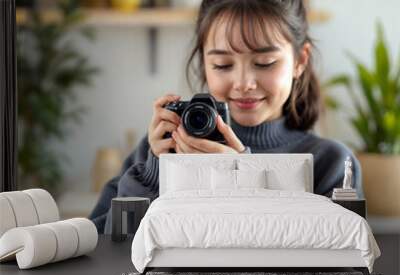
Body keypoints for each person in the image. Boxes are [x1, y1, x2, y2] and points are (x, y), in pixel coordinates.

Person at [89, 0, 363, 234]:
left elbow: (332, 261)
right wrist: (153, 176)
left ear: (300, 61)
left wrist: (244, 178)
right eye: (223, 65)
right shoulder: (160, 152)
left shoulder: (332, 164)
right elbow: (102, 245)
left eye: (264, 63)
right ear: (204, 64)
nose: (243, 83)